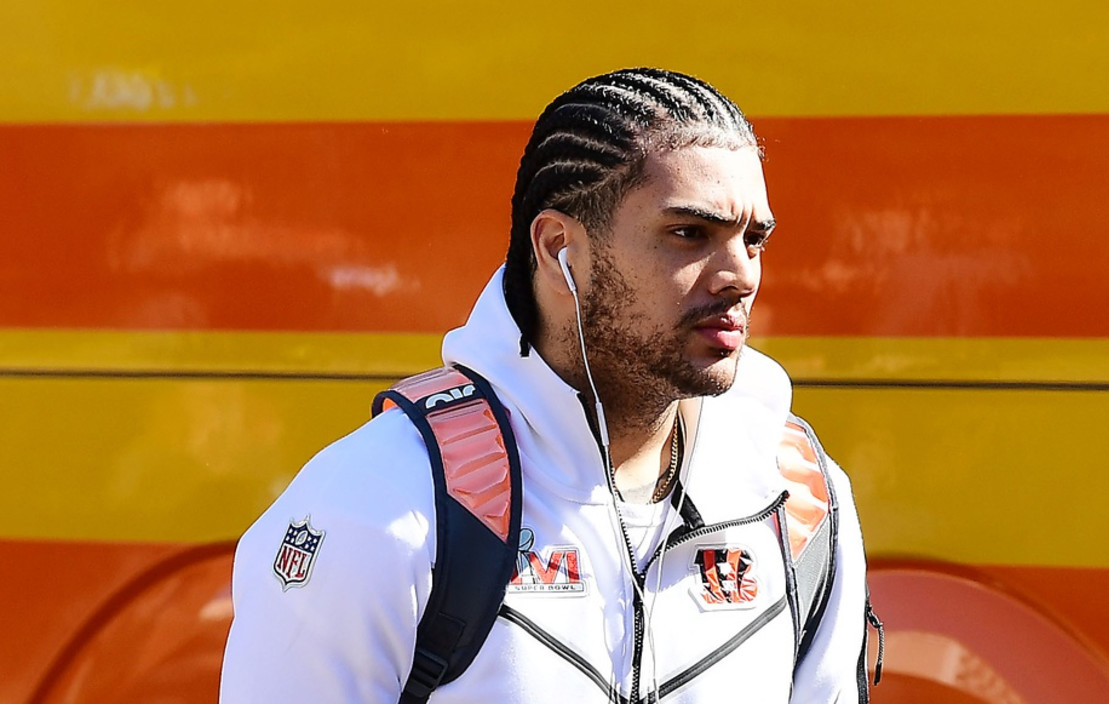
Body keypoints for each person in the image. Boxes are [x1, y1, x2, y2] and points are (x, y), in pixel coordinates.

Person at [221, 67, 873, 703]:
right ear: (561, 249)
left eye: (753, 240)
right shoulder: (379, 505)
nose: (740, 275)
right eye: (689, 234)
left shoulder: (799, 499)